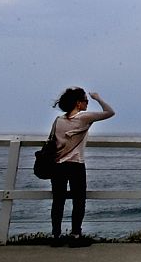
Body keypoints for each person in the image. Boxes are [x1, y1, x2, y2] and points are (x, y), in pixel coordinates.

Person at [47, 88, 115, 245]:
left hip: (57, 166)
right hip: (75, 165)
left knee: (58, 201)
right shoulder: (84, 117)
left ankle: (55, 237)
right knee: (79, 201)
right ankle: (75, 236)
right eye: (86, 101)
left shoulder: (58, 120)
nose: (87, 103)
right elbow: (110, 112)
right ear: (78, 103)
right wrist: (98, 98)